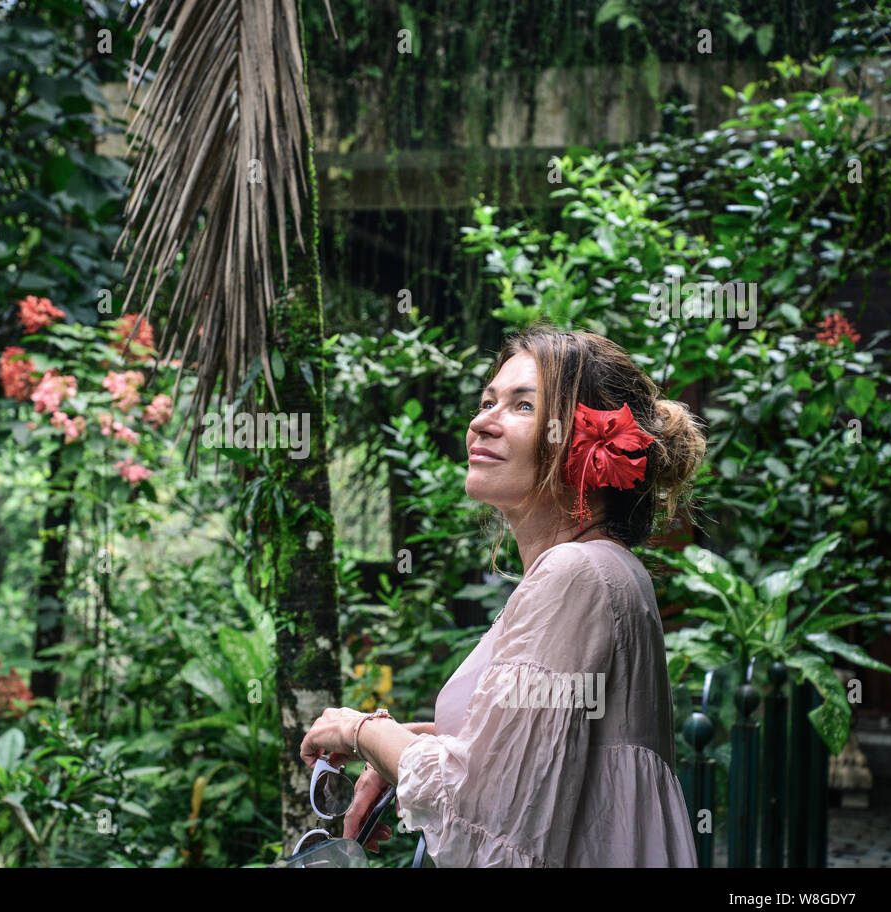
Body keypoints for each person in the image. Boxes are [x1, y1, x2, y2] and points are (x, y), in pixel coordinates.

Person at [299, 323, 708, 867]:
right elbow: (546, 752)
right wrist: (408, 745)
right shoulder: (599, 568)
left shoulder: (576, 573)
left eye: (520, 406)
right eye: (488, 401)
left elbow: (484, 817)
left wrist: (360, 728)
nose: (480, 423)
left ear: (588, 445)